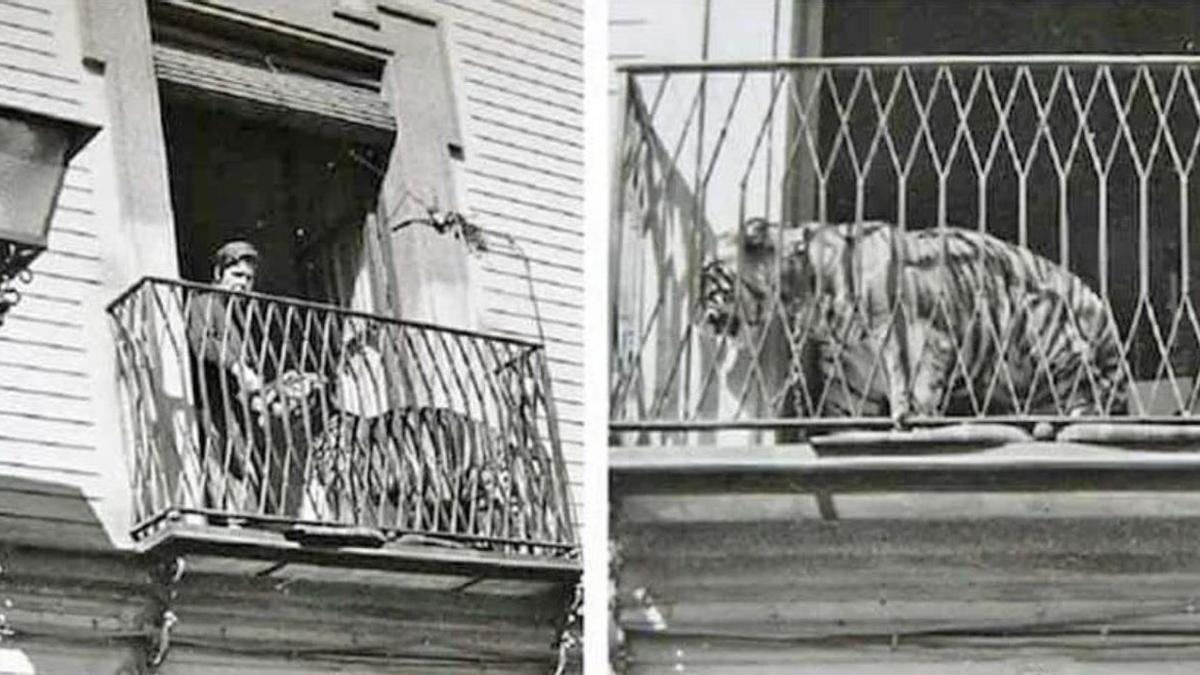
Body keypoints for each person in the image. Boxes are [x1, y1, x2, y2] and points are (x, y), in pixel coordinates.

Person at [186, 241, 266, 513]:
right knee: (224, 463)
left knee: (243, 464)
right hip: (211, 403)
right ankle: (233, 519)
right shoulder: (205, 302)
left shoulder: (235, 314)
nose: (243, 284)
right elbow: (200, 341)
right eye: (237, 276)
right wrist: (236, 366)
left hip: (231, 406)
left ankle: (244, 517)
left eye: (248, 278)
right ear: (219, 273)